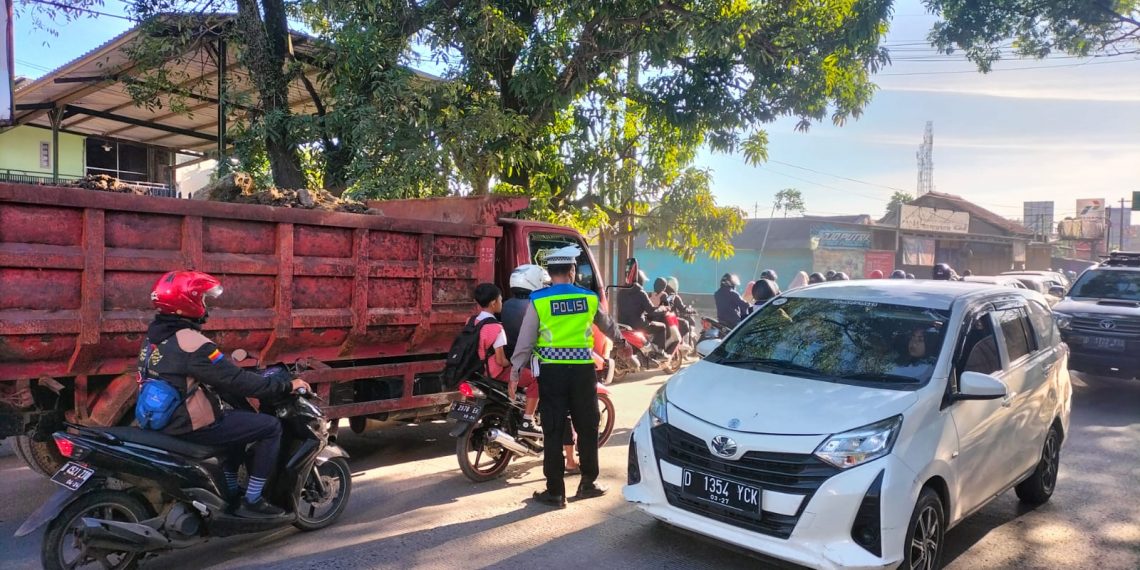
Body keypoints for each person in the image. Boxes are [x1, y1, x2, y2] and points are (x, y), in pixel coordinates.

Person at [145, 270, 309, 519]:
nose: (204, 305)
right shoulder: (192, 342)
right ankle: (253, 500)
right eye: (202, 299)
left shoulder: (155, 338)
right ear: (187, 302)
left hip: (161, 419)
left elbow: (215, 379)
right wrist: (286, 386)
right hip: (187, 424)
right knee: (269, 426)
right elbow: (235, 380)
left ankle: (231, 490)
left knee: (238, 420)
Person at [510, 246, 622, 508]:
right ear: (572, 271)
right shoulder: (589, 298)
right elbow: (609, 327)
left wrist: (515, 372)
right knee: (587, 426)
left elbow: (525, 342)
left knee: (553, 428)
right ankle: (588, 484)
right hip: (583, 372)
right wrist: (622, 341)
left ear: (549, 273)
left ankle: (555, 492)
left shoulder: (539, 300)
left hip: (552, 373)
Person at [472, 283, 542, 438]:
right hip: (495, 372)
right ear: (493, 303)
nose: (502, 303)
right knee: (536, 379)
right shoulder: (496, 328)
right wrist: (513, 365)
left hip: (477, 371)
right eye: (500, 300)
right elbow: (501, 360)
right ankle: (528, 421)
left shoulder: (472, 322)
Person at [617, 270, 667, 349]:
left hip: (623, 324)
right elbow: (651, 310)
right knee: (662, 327)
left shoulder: (621, 292)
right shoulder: (641, 293)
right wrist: (662, 308)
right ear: (641, 281)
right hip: (638, 325)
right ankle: (659, 352)